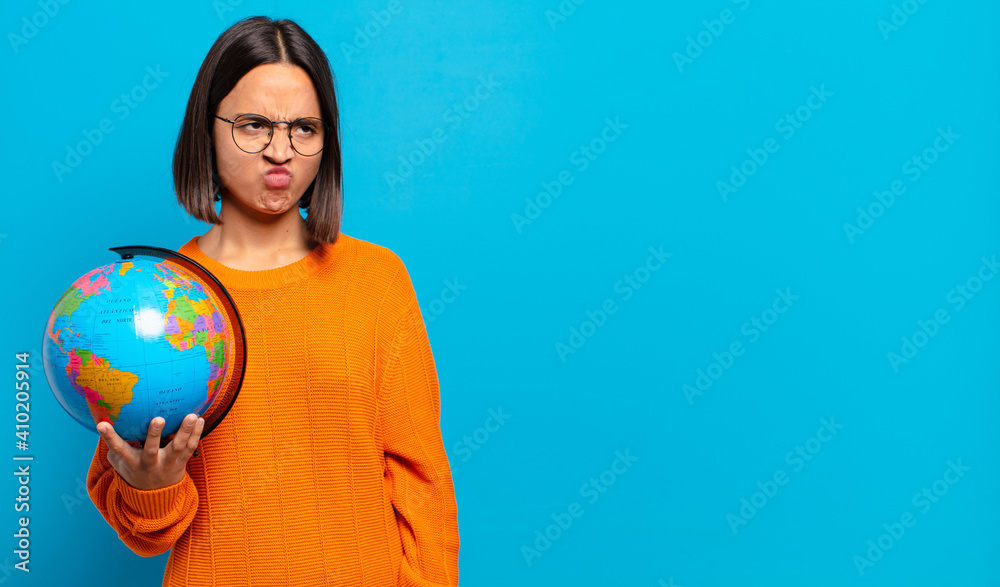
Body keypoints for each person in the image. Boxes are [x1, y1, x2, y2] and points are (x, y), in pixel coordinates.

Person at [86, 16, 460, 586]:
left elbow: (421, 482)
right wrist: (151, 485)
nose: (281, 151)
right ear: (205, 130)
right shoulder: (157, 299)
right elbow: (146, 530)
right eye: (254, 124)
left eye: (304, 128)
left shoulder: (377, 280)